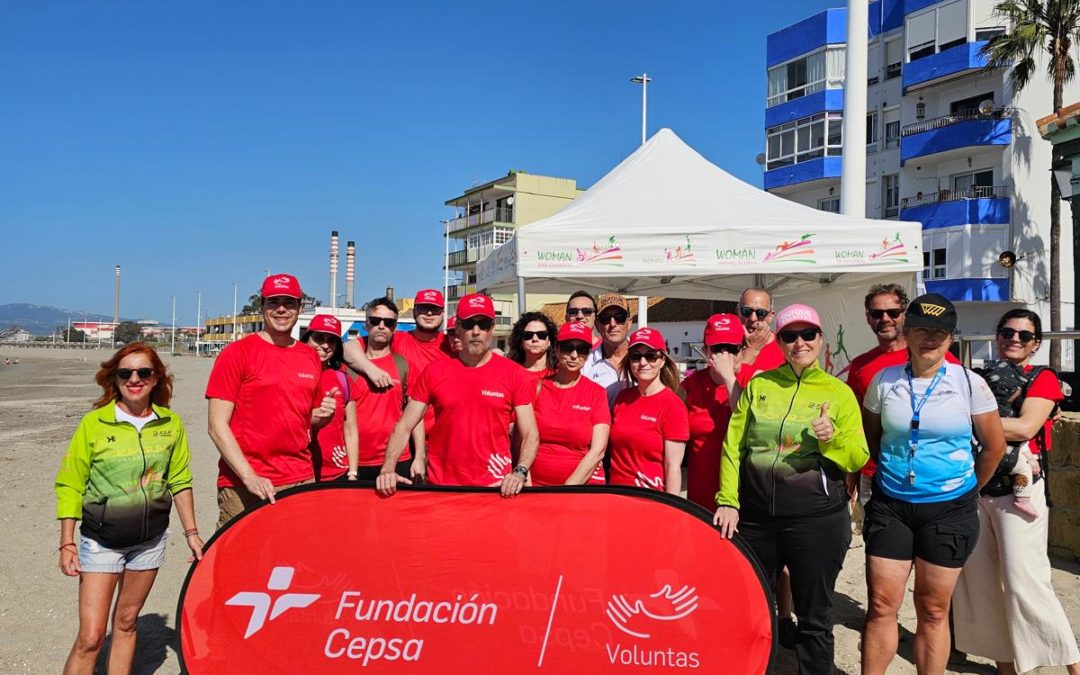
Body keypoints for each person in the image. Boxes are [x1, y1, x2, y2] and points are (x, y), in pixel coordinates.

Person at [713, 304, 868, 675]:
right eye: (789, 336)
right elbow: (734, 446)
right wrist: (728, 500)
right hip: (756, 518)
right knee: (753, 608)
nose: (800, 343)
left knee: (814, 616)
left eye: (807, 334)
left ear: (820, 338)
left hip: (815, 520)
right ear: (778, 341)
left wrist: (830, 440)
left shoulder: (838, 392)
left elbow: (857, 456)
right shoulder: (760, 385)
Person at [859, 294, 1006, 675]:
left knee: (934, 610)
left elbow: (993, 446)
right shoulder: (885, 380)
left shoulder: (969, 383)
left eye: (939, 333)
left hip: (949, 508)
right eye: (922, 329)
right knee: (880, 605)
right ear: (906, 333)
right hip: (892, 505)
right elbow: (873, 437)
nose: (930, 339)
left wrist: (969, 491)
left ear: (951, 338)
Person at [55, 343, 202, 674]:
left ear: (156, 379)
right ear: (115, 379)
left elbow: (179, 479)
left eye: (143, 372)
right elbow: (70, 484)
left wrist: (192, 533)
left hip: (150, 542)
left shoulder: (170, 424)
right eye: (125, 373)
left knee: (126, 622)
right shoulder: (95, 424)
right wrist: (67, 542)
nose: (134, 379)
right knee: (91, 637)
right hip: (101, 541)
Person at [953, 309, 1080, 675]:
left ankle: (1071, 665)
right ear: (997, 336)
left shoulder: (1043, 378)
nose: (1014, 339)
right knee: (980, 586)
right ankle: (1007, 669)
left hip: (1018, 492)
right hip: (978, 489)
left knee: (1027, 582)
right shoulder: (977, 379)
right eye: (1008, 332)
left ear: (1036, 344)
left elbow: (1026, 427)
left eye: (1024, 336)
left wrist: (973, 422)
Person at [376, 293, 538, 497]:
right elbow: (404, 426)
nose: (476, 331)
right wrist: (388, 468)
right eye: (469, 324)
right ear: (458, 328)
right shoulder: (435, 370)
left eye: (484, 324)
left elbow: (530, 434)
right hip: (442, 487)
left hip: (494, 488)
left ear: (493, 328)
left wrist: (520, 472)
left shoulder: (514, 374)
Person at [205, 274, 333, 528]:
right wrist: (249, 476)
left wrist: (322, 417)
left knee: (294, 559)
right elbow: (217, 426)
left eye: (290, 302)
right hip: (244, 484)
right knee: (240, 561)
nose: (282, 309)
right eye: (274, 302)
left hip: (299, 477)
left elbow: (302, 418)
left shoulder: (309, 357)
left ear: (300, 308)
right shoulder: (237, 353)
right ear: (262, 306)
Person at [846, 285, 961, 528]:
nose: (885, 319)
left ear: (904, 315)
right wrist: (852, 477)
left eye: (893, 312)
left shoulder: (940, 358)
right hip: (876, 474)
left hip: (932, 477)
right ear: (868, 318)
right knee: (882, 548)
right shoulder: (860, 366)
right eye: (877, 314)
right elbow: (858, 427)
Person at [343, 288, 453, 438]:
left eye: (435, 309)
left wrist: (497, 353)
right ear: (414, 311)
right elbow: (347, 348)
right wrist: (371, 369)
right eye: (423, 308)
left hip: (443, 438)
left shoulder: (452, 345)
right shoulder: (397, 339)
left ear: (442, 313)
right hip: (404, 439)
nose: (429, 313)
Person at [350, 297, 425, 482]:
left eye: (389, 322)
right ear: (366, 324)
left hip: (397, 459)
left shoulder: (404, 365)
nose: (382, 326)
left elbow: (415, 416)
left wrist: (419, 456)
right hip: (353, 461)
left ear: (395, 327)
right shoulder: (348, 366)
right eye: (375, 321)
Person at [608, 327, 689, 494]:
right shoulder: (622, 398)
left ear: (662, 360)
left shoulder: (673, 406)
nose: (643, 362)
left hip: (651, 500)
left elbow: (673, 467)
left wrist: (671, 509)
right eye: (636, 357)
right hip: (616, 497)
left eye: (651, 356)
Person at [530, 321, 611, 486]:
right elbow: (522, 439)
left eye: (581, 349)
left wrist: (568, 488)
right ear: (557, 349)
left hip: (580, 488)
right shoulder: (537, 387)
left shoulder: (596, 393)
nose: (574, 355)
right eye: (568, 348)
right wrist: (526, 480)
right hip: (536, 487)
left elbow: (598, 451)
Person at [682, 313, 743, 511]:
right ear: (706, 350)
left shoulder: (753, 380)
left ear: (741, 350)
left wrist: (729, 378)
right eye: (718, 349)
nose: (725, 356)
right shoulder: (690, 386)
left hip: (741, 497)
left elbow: (745, 420)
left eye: (732, 349)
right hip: (701, 496)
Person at [301, 314, 359, 482]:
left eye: (331, 340)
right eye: (319, 338)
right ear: (306, 339)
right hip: (301, 471)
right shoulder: (291, 375)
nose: (325, 346)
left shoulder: (342, 379)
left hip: (337, 471)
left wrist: (353, 472)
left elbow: (351, 428)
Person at [732, 287, 786, 399]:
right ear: (738, 311)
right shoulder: (727, 343)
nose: (753, 318)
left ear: (771, 316)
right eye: (746, 311)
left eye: (761, 313)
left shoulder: (785, 347)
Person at [583, 293, 633, 406]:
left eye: (619, 317)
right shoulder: (586, 365)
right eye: (605, 318)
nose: (612, 323)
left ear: (629, 323)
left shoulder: (646, 359)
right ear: (597, 325)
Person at [507, 312, 558, 385]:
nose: (535, 339)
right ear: (521, 341)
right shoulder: (510, 374)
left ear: (549, 341)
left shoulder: (560, 375)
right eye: (528, 335)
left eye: (541, 335)